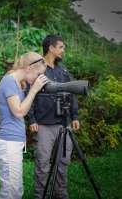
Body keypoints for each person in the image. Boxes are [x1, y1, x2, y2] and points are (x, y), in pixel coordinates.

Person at [26, 35, 80, 199]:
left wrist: (74, 115)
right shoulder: (38, 68)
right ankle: (41, 195)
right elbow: (29, 93)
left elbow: (71, 93)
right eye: (61, 47)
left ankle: (60, 194)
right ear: (51, 47)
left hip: (64, 124)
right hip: (43, 125)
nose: (63, 50)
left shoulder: (63, 70)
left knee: (64, 161)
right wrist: (32, 118)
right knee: (42, 163)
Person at [0, 52, 48, 199]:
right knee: (10, 193)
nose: (37, 79)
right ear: (29, 69)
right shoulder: (9, 81)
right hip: (8, 143)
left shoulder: (19, 83)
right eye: (38, 74)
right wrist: (34, 90)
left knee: (15, 190)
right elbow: (19, 112)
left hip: (13, 143)